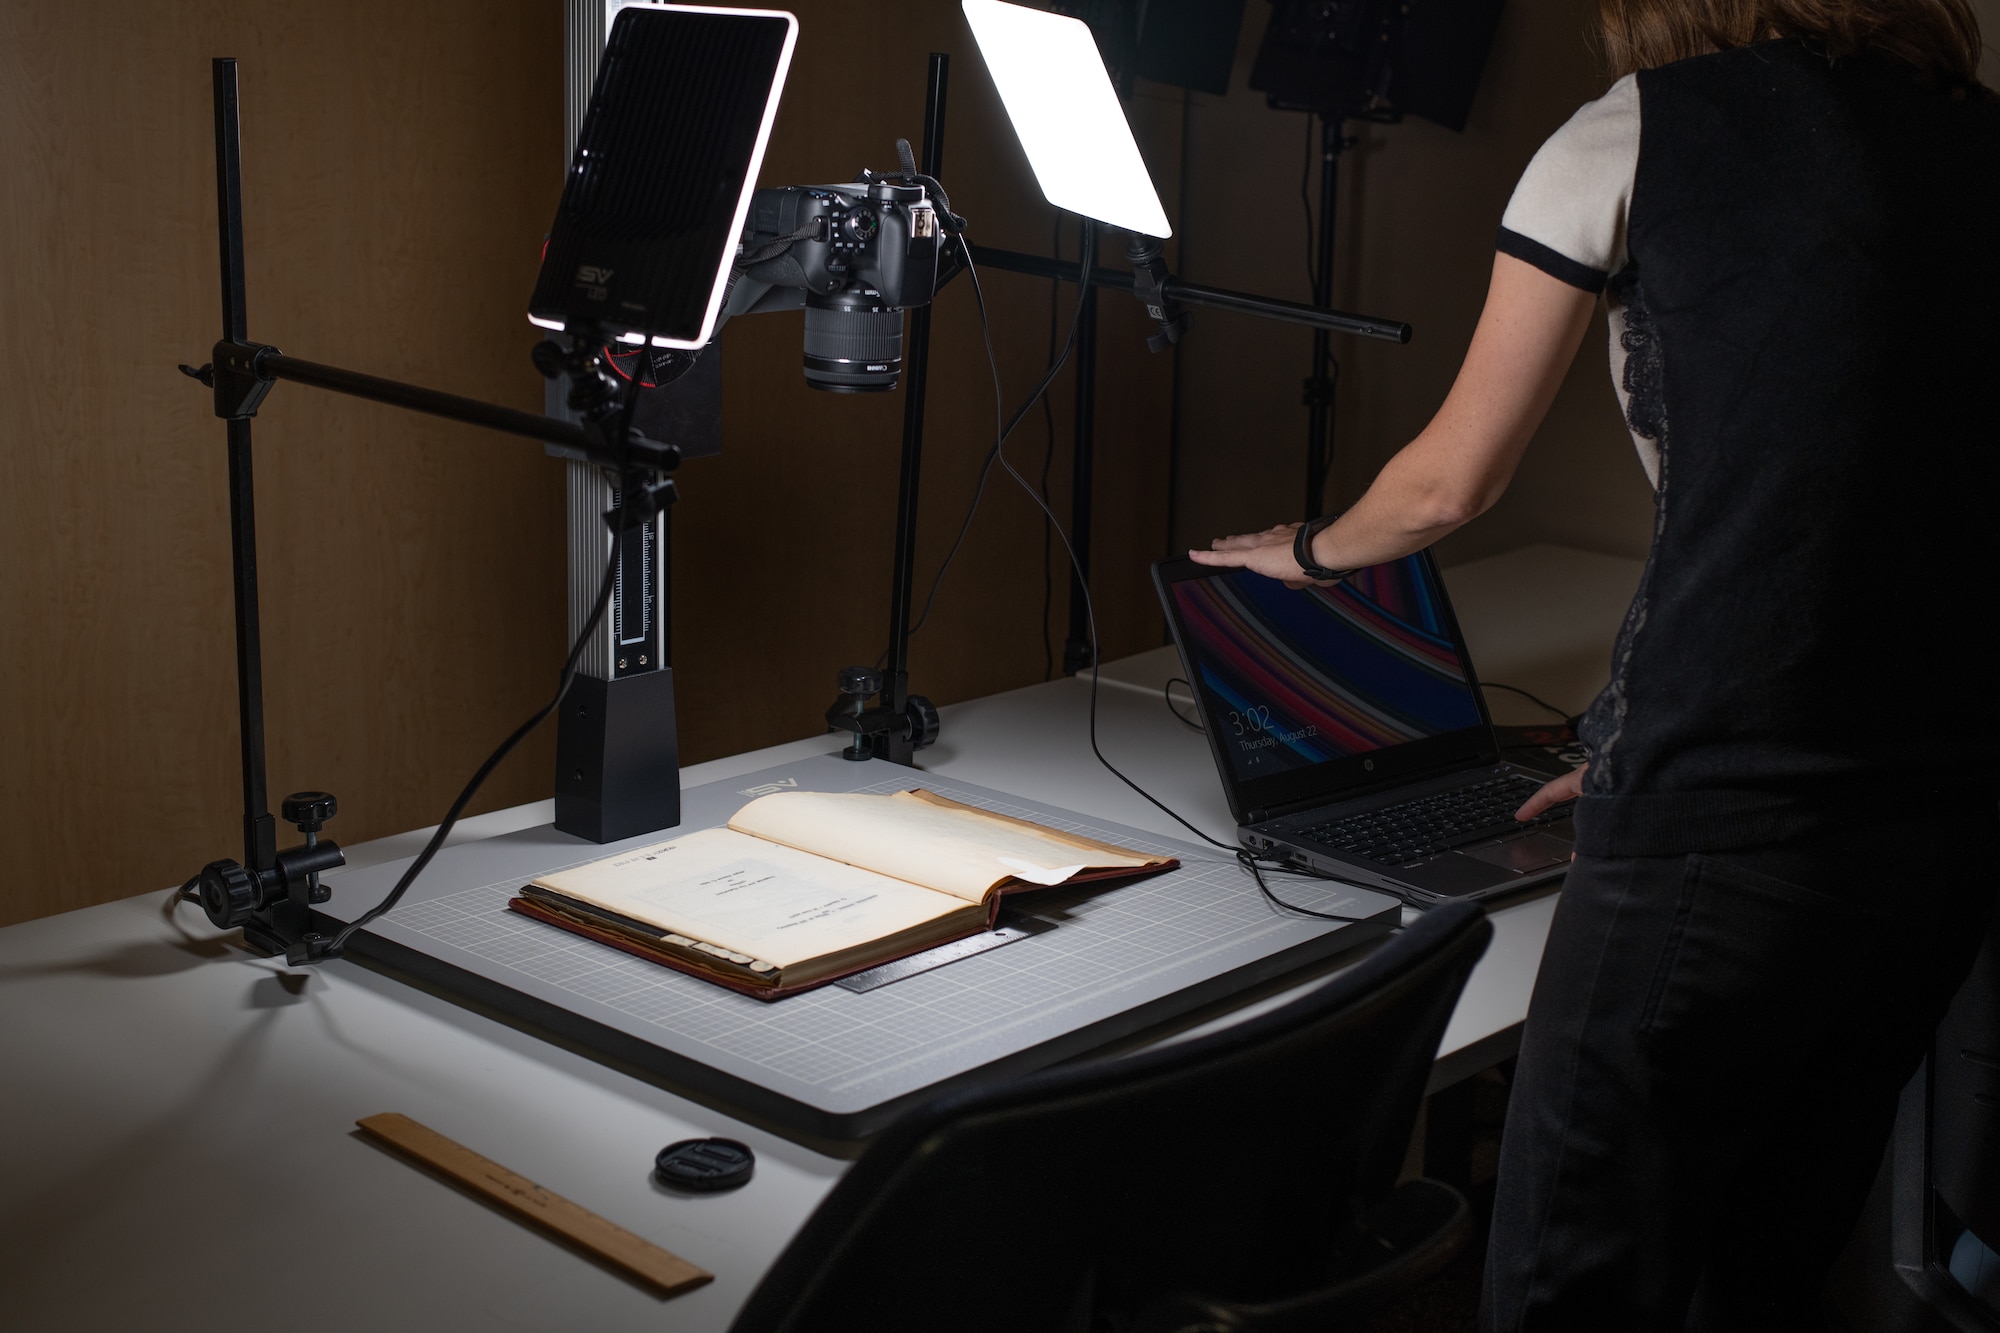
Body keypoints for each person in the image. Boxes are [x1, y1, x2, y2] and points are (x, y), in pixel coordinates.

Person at [1189, 1, 2000, 1327]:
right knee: (1770, 1268)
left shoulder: (1631, 135)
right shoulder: (1982, 146)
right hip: (1942, 827)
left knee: (1569, 1275)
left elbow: (1451, 484)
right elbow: (1834, 487)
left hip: (1723, 819)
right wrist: (1623, 724)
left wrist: (1316, 553)